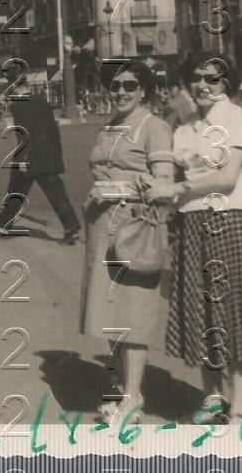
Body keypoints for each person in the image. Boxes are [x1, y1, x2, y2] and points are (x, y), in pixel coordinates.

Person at [143, 51, 242, 422]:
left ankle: (238, 403)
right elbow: (170, 176)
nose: (203, 85)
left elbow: (227, 178)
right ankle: (212, 398)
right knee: (199, 311)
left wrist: (179, 186)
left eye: (212, 79)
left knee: (232, 312)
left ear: (227, 85)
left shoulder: (235, 118)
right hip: (190, 222)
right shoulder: (184, 129)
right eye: (197, 78)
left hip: (229, 219)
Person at [80, 61, 175, 425]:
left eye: (130, 85)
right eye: (114, 85)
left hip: (134, 232)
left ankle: (134, 397)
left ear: (144, 90)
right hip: (102, 230)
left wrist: (115, 189)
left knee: (132, 314)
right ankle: (122, 390)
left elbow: (163, 184)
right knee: (110, 316)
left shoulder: (154, 128)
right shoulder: (111, 127)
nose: (121, 91)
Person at [0, 58, 81, 243]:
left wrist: (24, 157)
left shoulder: (18, 105)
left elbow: (23, 133)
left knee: (18, 187)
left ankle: (5, 221)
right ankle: (70, 226)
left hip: (30, 155)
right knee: (54, 192)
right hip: (47, 154)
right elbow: (51, 129)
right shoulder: (41, 100)